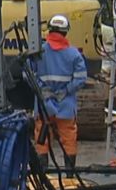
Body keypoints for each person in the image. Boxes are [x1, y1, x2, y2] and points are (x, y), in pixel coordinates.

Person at [30, 14, 89, 170]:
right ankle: (70, 175)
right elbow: (81, 78)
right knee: (68, 138)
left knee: (41, 138)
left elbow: (27, 74)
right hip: (66, 104)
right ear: (65, 31)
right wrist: (65, 91)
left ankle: (43, 174)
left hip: (44, 104)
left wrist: (44, 90)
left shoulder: (38, 51)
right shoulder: (74, 54)